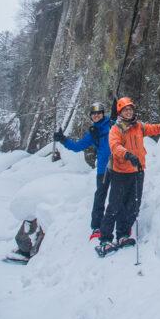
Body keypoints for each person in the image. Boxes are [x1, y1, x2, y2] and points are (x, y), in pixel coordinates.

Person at [95, 96, 160, 257]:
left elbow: (154, 128)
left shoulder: (139, 126)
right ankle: (105, 239)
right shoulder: (115, 129)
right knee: (114, 206)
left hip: (137, 172)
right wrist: (127, 155)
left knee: (133, 206)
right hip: (120, 173)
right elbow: (115, 146)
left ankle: (123, 235)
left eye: (130, 109)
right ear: (120, 112)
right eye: (125, 110)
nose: (129, 112)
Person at [54, 102, 114, 241]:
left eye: (99, 113)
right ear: (91, 117)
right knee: (100, 196)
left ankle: (122, 222)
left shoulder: (112, 122)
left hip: (118, 166)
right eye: (94, 114)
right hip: (103, 169)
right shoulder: (92, 133)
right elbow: (77, 147)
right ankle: (96, 227)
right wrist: (63, 140)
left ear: (103, 113)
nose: (97, 115)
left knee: (118, 194)